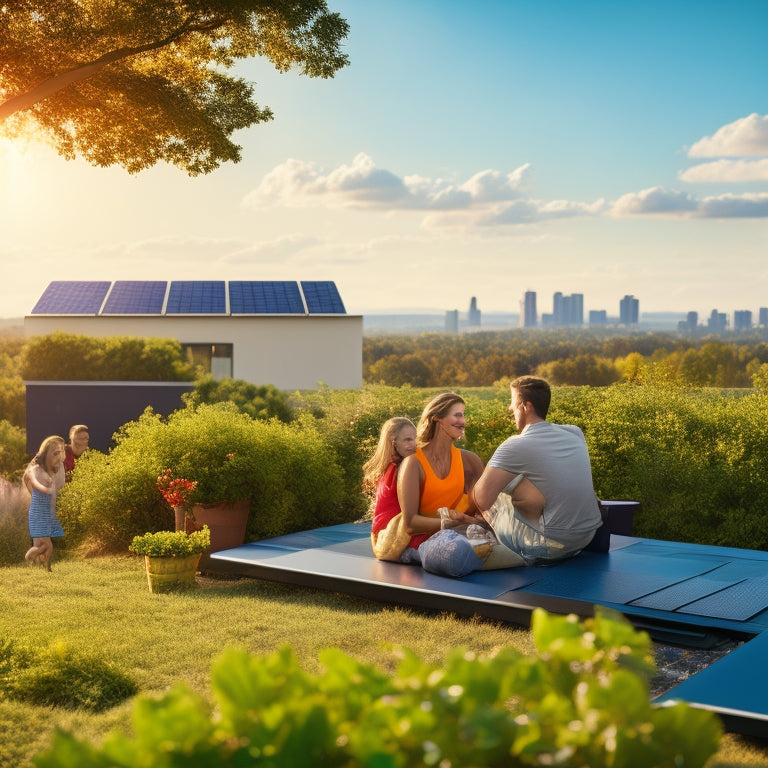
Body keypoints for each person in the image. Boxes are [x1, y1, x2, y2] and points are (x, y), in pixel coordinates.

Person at [471, 376, 602, 566]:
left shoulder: (516, 445)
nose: (509, 409)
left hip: (549, 546)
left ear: (525, 407)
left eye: (512, 403)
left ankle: (481, 531)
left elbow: (482, 499)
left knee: (490, 488)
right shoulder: (575, 432)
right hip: (586, 536)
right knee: (527, 479)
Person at [397, 392, 487, 576]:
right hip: (427, 540)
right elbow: (410, 524)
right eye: (457, 415)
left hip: (463, 534)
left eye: (464, 415)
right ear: (437, 418)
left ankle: (476, 554)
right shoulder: (414, 463)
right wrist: (451, 522)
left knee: (502, 543)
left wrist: (481, 519)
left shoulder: (470, 460)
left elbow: (484, 508)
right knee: (455, 553)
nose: (463, 421)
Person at [363, 417, 417, 560]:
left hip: (380, 538)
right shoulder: (401, 469)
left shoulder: (389, 467)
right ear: (394, 443)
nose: (414, 444)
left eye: (415, 438)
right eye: (407, 440)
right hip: (392, 539)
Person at [24, 435, 66, 571]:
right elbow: (29, 479)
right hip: (38, 511)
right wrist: (38, 492)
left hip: (47, 510)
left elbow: (58, 484)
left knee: (43, 544)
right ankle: (33, 560)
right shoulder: (36, 467)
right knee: (46, 544)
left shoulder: (56, 465)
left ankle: (42, 566)